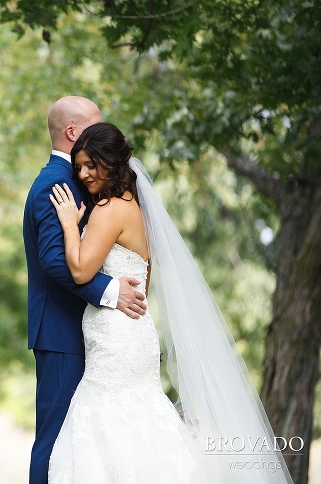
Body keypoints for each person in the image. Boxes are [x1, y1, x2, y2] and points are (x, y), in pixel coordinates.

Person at [47, 122, 293, 483]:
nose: (82, 174)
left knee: (109, 421)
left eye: (90, 165)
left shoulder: (110, 208)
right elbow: (140, 279)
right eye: (79, 166)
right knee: (136, 422)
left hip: (116, 339)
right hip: (132, 333)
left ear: (110, 163)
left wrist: (70, 224)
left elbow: (82, 271)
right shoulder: (135, 205)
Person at [22, 97, 147, 484]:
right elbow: (56, 261)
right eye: (95, 125)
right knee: (57, 441)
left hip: (97, 336)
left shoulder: (90, 187)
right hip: (62, 332)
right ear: (74, 133)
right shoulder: (58, 183)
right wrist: (111, 291)